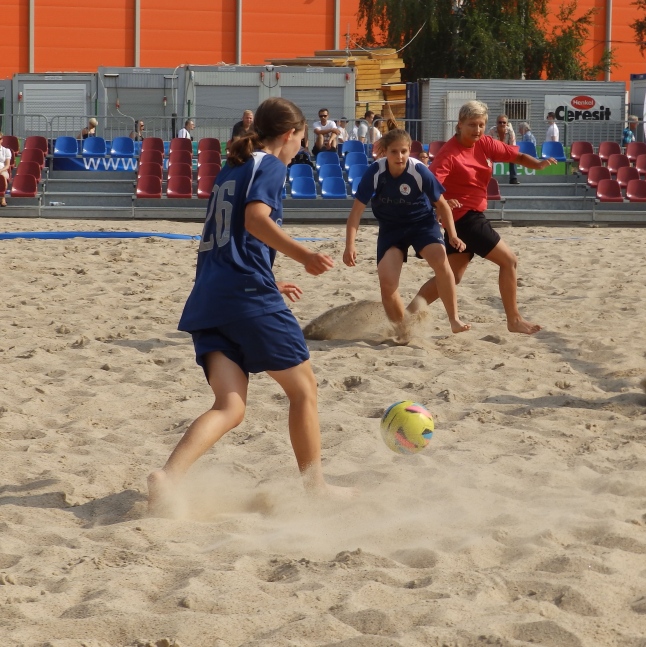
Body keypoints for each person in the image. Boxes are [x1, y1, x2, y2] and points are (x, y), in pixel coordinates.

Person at [148, 97, 355, 515]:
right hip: (244, 296)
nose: (301, 148)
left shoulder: (231, 167)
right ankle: (315, 486)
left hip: (210, 297)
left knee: (231, 406)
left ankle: (168, 478)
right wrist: (305, 255)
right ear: (288, 135)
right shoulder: (270, 165)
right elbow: (255, 221)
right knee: (304, 390)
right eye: (300, 139)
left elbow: (229, 240)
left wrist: (271, 277)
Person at [408, 100, 557, 335]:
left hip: (466, 218)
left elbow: (516, 158)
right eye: (471, 125)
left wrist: (537, 164)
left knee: (451, 277)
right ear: (459, 124)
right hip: (465, 218)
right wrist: (443, 202)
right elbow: (430, 185)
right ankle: (514, 320)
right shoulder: (449, 153)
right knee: (509, 261)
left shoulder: (485, 143)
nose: (477, 130)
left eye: (480, 125)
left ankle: (406, 316)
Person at [343, 128, 470, 335]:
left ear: (410, 150)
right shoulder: (375, 172)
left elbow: (444, 205)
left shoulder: (419, 170)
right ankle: (402, 329)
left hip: (422, 224)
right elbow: (356, 212)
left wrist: (453, 235)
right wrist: (350, 246)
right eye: (394, 152)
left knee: (441, 261)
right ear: (384, 152)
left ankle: (454, 319)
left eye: (404, 151)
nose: (399, 156)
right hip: (391, 229)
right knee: (387, 284)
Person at [489, 114, 518, 185]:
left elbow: (512, 145)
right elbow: (488, 144)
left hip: (506, 152)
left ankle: (513, 178)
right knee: (487, 158)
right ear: (496, 123)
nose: (502, 124)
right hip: (494, 152)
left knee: (514, 156)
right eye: (500, 122)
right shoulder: (491, 130)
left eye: (504, 122)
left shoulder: (510, 131)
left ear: (507, 123)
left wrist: (507, 152)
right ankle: (489, 179)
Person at [0, 132, 11, 207]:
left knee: (2, 177)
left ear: (2, 140)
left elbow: (7, 165)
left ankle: (2, 198)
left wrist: (0, 170)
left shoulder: (6, 150)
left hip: (2, 169)